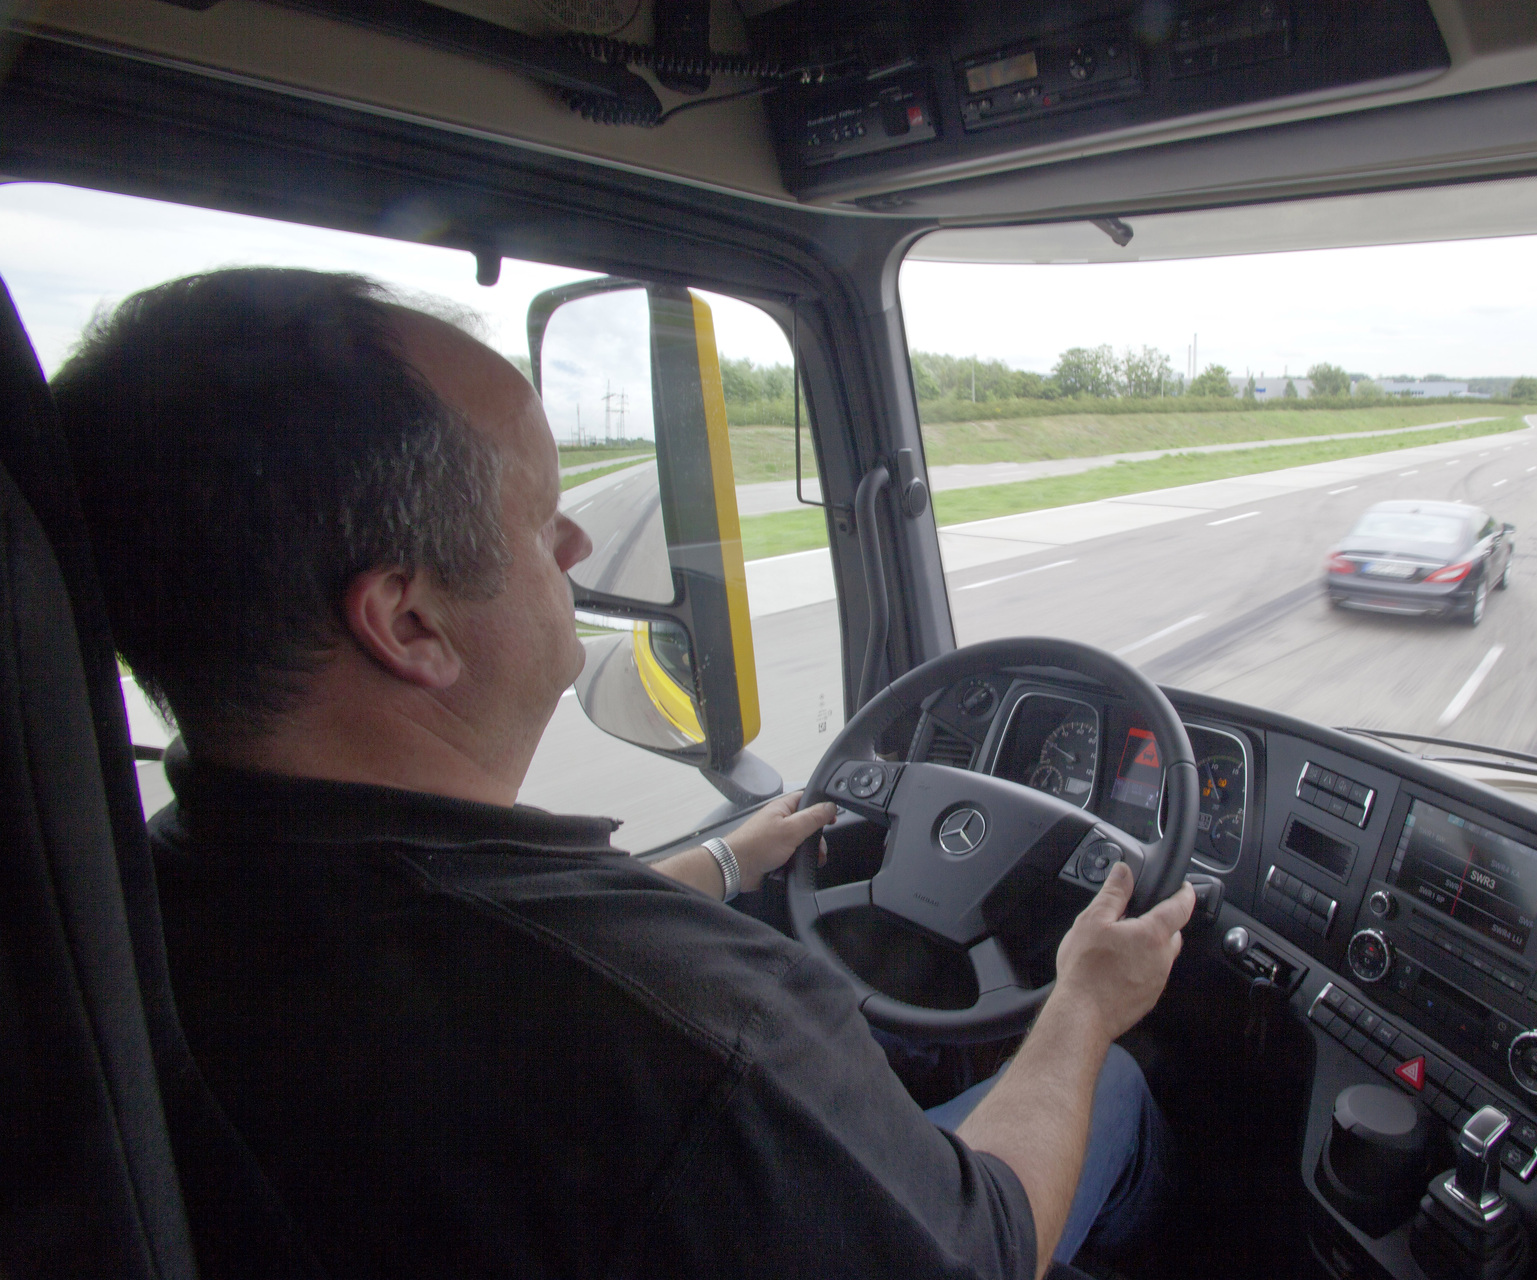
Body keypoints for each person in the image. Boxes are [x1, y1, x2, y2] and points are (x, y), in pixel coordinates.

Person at [51, 267, 1197, 1279]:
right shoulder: (697, 1041)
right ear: (410, 622)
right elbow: (984, 1244)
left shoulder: (142, 896)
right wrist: (1089, 998)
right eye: (542, 517)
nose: (578, 549)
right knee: (1122, 1087)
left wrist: (720, 860)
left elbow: (512, 943)